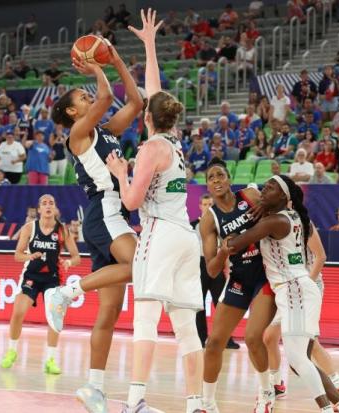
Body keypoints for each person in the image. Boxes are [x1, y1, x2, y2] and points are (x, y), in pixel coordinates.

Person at [105, 10, 204, 412]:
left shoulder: (151, 148)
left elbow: (131, 202)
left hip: (160, 233)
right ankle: (196, 403)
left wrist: (120, 173)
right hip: (186, 237)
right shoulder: (174, 141)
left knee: (145, 319)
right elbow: (156, 94)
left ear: (147, 116)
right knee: (185, 328)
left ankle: (134, 401)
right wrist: (149, 45)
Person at [45, 25, 144, 412]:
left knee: (110, 312)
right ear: (73, 112)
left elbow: (136, 102)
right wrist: (96, 65)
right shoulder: (78, 133)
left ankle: (94, 388)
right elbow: (105, 96)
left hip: (112, 215)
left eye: (88, 95)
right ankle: (66, 292)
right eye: (82, 98)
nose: (90, 98)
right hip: (105, 211)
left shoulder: (106, 131)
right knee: (140, 264)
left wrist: (115, 59)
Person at [227, 175, 339, 413]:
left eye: (270, 188)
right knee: (301, 361)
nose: (264, 190)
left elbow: (235, 244)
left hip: (294, 289)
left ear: (283, 196)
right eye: (265, 186)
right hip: (297, 288)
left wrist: (231, 228)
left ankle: (327, 408)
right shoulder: (290, 216)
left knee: (298, 359)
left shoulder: (275, 221)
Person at [198, 159, 277, 413]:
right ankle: (207, 403)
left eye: (220, 175)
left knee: (253, 337)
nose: (217, 180)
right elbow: (212, 270)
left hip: (266, 273)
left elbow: (278, 220)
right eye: (211, 177)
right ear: (207, 186)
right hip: (239, 278)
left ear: (229, 179)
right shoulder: (208, 220)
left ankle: (266, 392)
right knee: (214, 343)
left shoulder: (250, 196)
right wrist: (223, 252)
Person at [263, 217, 339, 403]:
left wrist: (305, 286)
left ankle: (338, 386)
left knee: (310, 345)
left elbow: (321, 257)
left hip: (307, 285)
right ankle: (276, 384)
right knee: (269, 337)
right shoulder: (274, 222)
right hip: (290, 289)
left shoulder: (302, 222)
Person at [0, 194, 80, 373]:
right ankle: (12, 351)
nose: (48, 206)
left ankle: (50, 360)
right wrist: (30, 256)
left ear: (55, 208)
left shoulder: (63, 230)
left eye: (51, 203)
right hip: (31, 276)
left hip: (52, 278)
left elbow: (77, 257)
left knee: (54, 316)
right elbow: (17, 255)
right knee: (18, 312)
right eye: (44, 203)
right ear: (39, 209)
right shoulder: (29, 227)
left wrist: (68, 262)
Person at [191, 193, 239, 350]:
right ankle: (200, 339)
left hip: (216, 264)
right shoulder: (192, 226)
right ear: (200, 206)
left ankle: (226, 339)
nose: (207, 207)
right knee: (199, 304)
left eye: (210, 204)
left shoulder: (220, 224)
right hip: (199, 265)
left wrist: (227, 266)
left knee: (222, 303)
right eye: (205, 204)